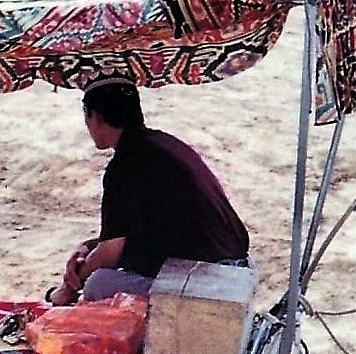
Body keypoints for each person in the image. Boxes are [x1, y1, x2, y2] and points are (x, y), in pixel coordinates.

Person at [52, 79, 250, 304]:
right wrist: (86, 249)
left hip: (210, 279)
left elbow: (110, 253)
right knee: (101, 273)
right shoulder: (161, 143)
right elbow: (120, 239)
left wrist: (69, 287)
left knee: (99, 285)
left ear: (95, 117)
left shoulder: (125, 165)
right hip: (229, 264)